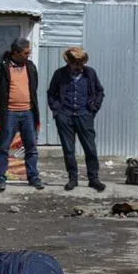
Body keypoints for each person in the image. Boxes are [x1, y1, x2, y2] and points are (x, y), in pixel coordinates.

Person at [0, 37, 44, 191]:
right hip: (9, 113)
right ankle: (0, 178)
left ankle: (33, 178)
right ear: (16, 53)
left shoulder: (30, 66)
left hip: (28, 113)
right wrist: (5, 102)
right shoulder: (1, 67)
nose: (28, 55)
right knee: (4, 146)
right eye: (26, 53)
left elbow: (34, 86)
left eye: (29, 52)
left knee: (31, 147)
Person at [47, 47, 107, 192]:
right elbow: (51, 93)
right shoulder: (59, 74)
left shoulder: (90, 73)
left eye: (80, 63)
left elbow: (100, 92)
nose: (78, 66)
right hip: (65, 115)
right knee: (69, 150)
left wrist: (93, 108)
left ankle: (94, 179)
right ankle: (72, 179)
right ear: (69, 62)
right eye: (75, 63)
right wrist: (57, 111)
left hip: (84, 115)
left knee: (90, 149)